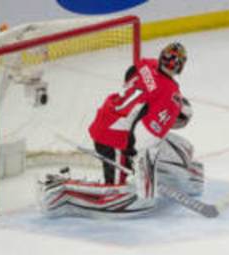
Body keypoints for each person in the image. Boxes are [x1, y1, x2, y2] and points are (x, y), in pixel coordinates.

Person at [38, 42, 201, 219]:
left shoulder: (148, 64)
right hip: (114, 137)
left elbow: (131, 72)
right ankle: (61, 190)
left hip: (107, 116)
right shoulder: (170, 96)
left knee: (128, 172)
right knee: (118, 193)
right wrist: (135, 157)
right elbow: (145, 137)